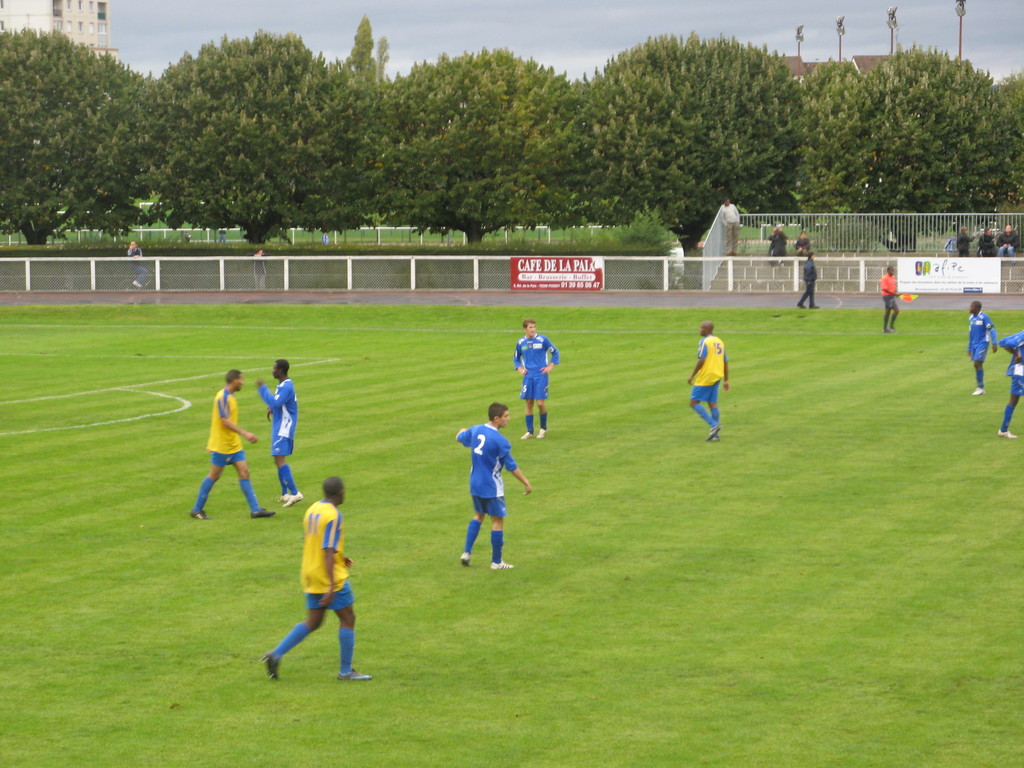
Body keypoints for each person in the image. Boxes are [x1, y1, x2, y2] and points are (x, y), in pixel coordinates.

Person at [261, 476, 372, 681]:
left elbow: (315, 541)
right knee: (348, 618)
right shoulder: (334, 515)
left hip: (310, 571)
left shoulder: (313, 509)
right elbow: (327, 549)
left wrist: (340, 556)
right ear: (340, 493)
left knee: (313, 621)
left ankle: (276, 654)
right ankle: (346, 672)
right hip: (328, 575)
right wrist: (330, 585)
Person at [189, 370, 275, 520]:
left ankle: (255, 510)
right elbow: (224, 420)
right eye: (241, 380)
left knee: (244, 472)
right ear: (234, 380)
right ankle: (196, 509)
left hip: (233, 445)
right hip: (221, 445)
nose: (243, 382)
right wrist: (245, 433)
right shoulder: (222, 397)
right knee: (214, 475)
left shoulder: (231, 397)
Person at [456, 402, 532, 570]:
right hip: (491, 486)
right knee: (497, 521)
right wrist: (526, 482)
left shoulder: (476, 430)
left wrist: (462, 431)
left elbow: (460, 437)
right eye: (506, 416)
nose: (508, 419)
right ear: (496, 419)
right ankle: (496, 562)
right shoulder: (500, 441)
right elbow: (512, 467)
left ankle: (466, 553)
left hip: (474, 483)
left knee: (479, 515)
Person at [257, 359, 302, 508]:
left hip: (284, 428)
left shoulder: (286, 386)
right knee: (277, 460)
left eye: (274, 368)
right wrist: (272, 407)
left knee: (280, 460)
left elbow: (276, 403)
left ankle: (295, 493)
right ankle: (285, 493)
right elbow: (278, 403)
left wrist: (263, 389)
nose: (273, 370)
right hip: (280, 426)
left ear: (281, 370)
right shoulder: (283, 385)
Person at [514, 318, 559, 439]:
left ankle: (543, 429)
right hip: (528, 376)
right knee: (529, 403)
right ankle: (530, 431)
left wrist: (550, 366)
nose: (533, 329)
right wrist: (519, 369)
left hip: (540, 375)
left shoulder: (543, 339)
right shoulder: (521, 342)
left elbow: (555, 352)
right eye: (530, 327)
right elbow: (516, 358)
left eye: (534, 327)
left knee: (540, 403)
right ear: (525, 329)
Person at [687, 321, 730, 442]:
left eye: (701, 328)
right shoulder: (720, 342)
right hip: (717, 375)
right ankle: (715, 436)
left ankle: (714, 425)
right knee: (712, 404)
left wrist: (692, 375)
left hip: (707, 376)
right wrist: (726, 380)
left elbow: (702, 360)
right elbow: (725, 361)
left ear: (706, 329)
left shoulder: (705, 341)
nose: (699, 330)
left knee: (694, 403)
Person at [996, 330, 1024, 438]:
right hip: (1020, 371)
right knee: (1013, 399)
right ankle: (1003, 430)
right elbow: (1006, 343)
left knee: (1014, 399)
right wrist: (1017, 354)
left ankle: (1003, 430)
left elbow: (1003, 341)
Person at [967, 301, 998, 396]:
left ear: (976, 308)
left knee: (977, 362)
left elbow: (992, 329)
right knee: (976, 365)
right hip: (974, 344)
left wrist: (995, 342)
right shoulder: (971, 318)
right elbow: (971, 334)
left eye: (971, 306)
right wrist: (969, 347)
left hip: (983, 343)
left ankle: (980, 388)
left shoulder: (984, 317)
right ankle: (981, 387)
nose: (969, 308)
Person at [880, 266, 899, 334]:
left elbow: (893, 286)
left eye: (893, 271)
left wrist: (895, 291)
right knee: (896, 310)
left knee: (887, 312)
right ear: (888, 271)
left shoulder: (893, 277)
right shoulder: (884, 278)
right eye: (891, 271)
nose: (893, 272)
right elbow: (884, 289)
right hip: (887, 297)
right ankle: (891, 327)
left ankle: (885, 329)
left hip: (891, 296)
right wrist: (894, 293)